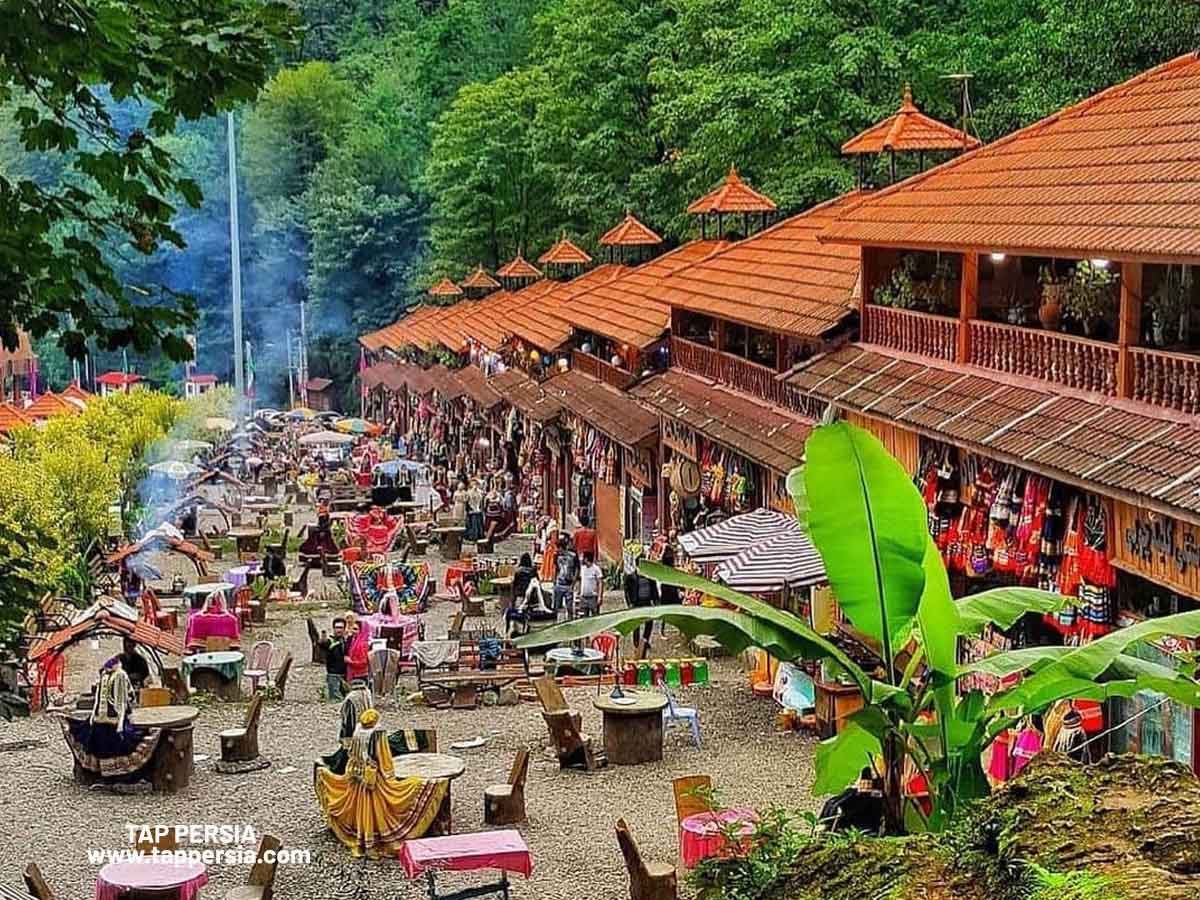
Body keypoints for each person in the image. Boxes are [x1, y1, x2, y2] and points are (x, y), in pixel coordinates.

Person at [314, 708, 448, 859]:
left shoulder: (358, 730)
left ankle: (363, 839)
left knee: (362, 808)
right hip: (373, 778)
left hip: (357, 775)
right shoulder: (377, 734)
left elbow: (351, 753)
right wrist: (389, 776)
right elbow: (384, 758)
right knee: (382, 805)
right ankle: (378, 841)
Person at [628, 566, 659, 657]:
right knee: (636, 624)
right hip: (637, 602)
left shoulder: (649, 575)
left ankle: (645, 640)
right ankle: (636, 642)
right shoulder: (632, 576)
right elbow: (628, 590)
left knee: (649, 623)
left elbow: (654, 588)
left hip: (647, 602)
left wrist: (656, 600)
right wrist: (630, 602)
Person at [319, 618, 349, 700]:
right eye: (337, 627)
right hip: (333, 675)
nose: (339, 630)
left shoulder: (347, 641)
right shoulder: (330, 641)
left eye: (341, 628)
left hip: (346, 675)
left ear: (344, 629)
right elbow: (323, 644)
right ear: (333, 628)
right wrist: (322, 641)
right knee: (335, 700)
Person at [552, 533, 580, 618]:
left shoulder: (573, 556)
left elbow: (577, 569)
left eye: (558, 548)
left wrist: (574, 582)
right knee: (556, 607)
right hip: (559, 583)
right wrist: (554, 581)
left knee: (569, 607)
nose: (557, 550)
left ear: (561, 547)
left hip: (569, 584)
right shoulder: (556, 556)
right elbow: (556, 568)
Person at [578, 551, 604, 618]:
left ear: (586, 559)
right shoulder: (582, 568)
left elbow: (600, 582)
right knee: (583, 618)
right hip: (583, 597)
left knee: (595, 617)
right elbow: (581, 581)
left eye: (583, 557)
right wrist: (579, 592)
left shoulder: (596, 569)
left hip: (593, 597)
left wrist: (600, 596)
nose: (582, 559)